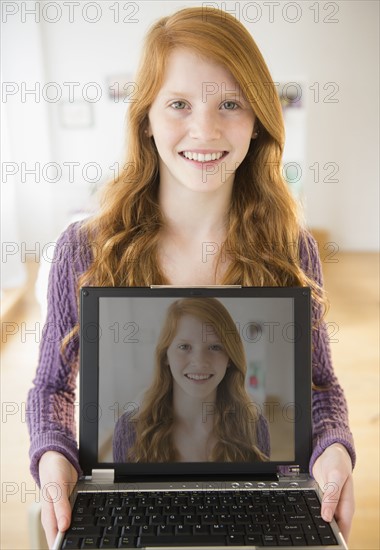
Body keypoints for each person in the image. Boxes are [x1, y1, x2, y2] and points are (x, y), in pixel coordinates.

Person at [26, 6, 355, 548]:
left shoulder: (290, 248)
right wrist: (55, 459)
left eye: (230, 103)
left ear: (258, 121)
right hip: (124, 508)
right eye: (179, 104)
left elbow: (319, 387)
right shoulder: (82, 249)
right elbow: (52, 387)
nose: (205, 129)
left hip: (261, 510)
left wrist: (334, 453)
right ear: (146, 119)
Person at [113, 297, 270, 463]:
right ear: (165, 355)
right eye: (184, 347)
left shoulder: (255, 428)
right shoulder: (128, 430)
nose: (200, 362)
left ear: (230, 358)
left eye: (215, 347)